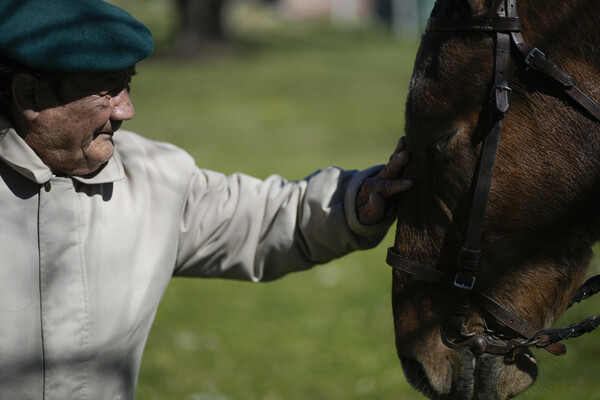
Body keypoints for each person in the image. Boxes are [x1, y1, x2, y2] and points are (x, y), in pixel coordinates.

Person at [0, 0, 412, 398]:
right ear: (30, 97)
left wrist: (356, 202)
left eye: (127, 83)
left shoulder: (153, 176)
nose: (127, 110)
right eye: (104, 92)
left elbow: (262, 217)